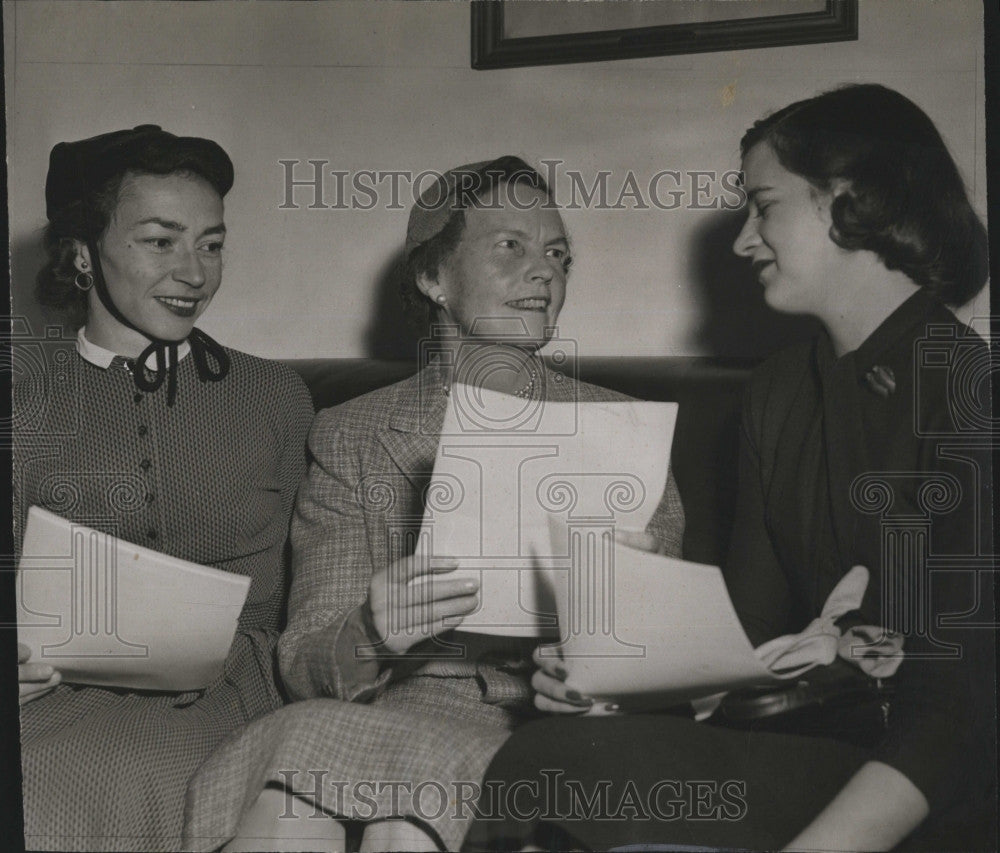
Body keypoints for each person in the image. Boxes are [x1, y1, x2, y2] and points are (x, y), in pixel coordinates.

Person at [462, 84, 995, 852]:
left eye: (764, 205)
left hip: (933, 779)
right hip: (818, 746)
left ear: (854, 199)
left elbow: (962, 713)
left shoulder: (973, 394)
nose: (745, 240)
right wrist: (612, 680)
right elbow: (746, 649)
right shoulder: (779, 391)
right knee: (551, 758)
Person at [182, 156, 686, 852]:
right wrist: (370, 629)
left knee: (399, 821)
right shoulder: (351, 431)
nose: (545, 272)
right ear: (433, 278)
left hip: (550, 727)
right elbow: (305, 656)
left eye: (558, 254)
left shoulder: (624, 429)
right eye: (510, 246)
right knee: (296, 800)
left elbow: (664, 663)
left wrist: (617, 636)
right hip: (396, 714)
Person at [14, 126, 314, 851]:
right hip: (51, 693)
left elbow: (319, 590)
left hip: (236, 692)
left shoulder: (274, 396)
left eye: (211, 244)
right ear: (83, 252)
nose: (194, 272)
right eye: (161, 241)